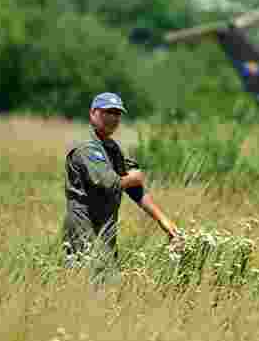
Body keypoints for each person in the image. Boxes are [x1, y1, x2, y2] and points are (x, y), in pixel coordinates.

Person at [64, 92, 179, 270]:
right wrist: (134, 177)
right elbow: (110, 183)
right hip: (84, 232)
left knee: (109, 287)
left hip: (106, 232)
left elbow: (134, 188)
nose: (113, 118)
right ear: (93, 113)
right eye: (108, 112)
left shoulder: (111, 147)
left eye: (117, 113)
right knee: (84, 285)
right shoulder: (85, 147)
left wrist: (163, 221)